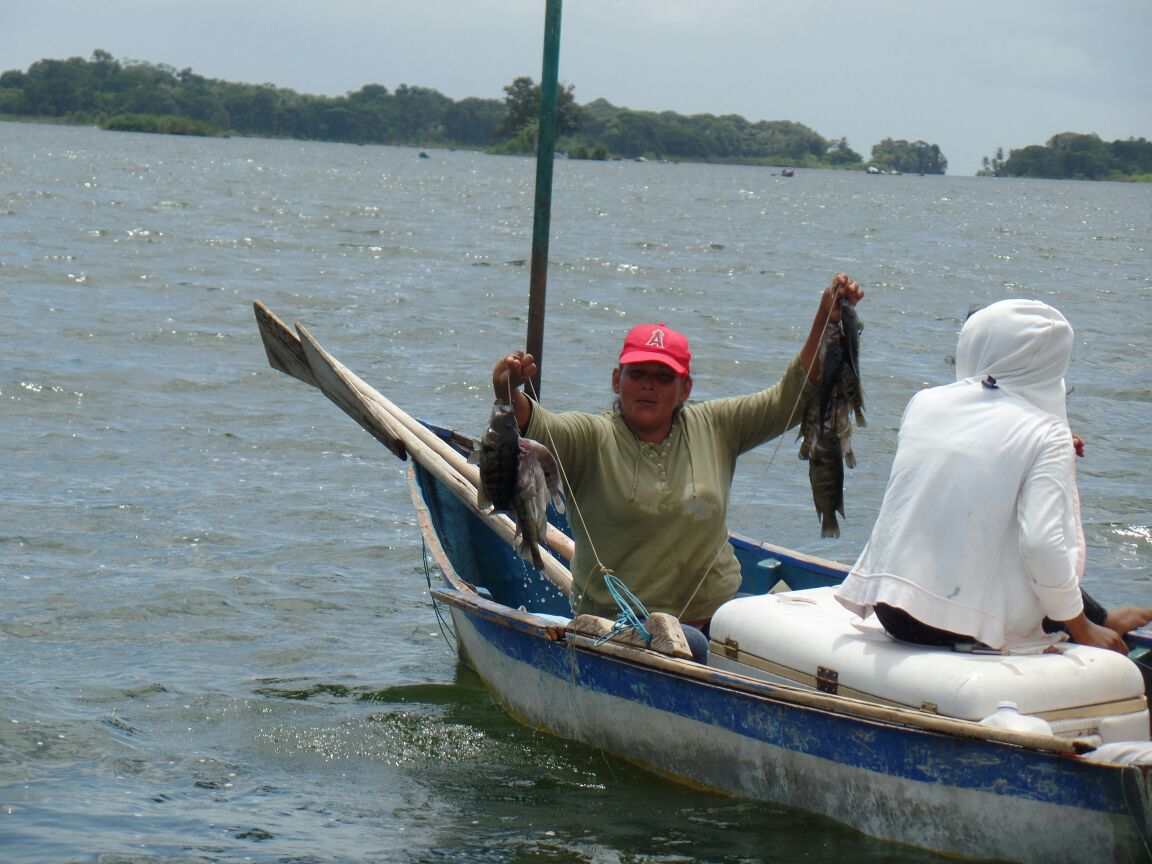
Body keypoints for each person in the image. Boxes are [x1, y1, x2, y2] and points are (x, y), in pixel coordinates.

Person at [491, 273, 864, 639]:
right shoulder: (591, 437)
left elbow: (792, 396)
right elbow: (532, 423)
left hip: (719, 618)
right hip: (621, 628)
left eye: (664, 376)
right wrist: (508, 392)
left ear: (685, 388)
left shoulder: (715, 425)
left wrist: (825, 317)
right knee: (694, 646)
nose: (648, 384)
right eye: (637, 374)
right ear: (616, 381)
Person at [836, 298, 1148, 655]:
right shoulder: (1046, 434)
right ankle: (1091, 619)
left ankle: (1098, 615)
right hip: (953, 625)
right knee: (1033, 548)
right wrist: (1083, 630)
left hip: (889, 608)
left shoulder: (924, 402)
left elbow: (968, 471)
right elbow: (1041, 545)